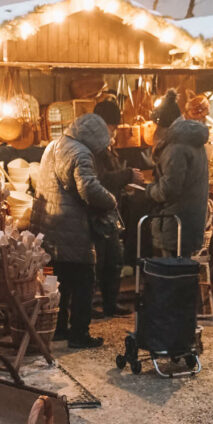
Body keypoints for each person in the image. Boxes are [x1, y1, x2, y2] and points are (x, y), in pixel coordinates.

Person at [30, 113, 116, 348]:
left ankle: (58, 328)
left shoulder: (54, 145)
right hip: (72, 229)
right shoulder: (81, 153)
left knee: (56, 281)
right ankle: (79, 334)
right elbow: (88, 188)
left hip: (48, 228)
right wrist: (111, 200)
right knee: (83, 281)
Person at [91, 98, 144, 316]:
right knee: (98, 262)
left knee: (113, 260)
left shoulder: (104, 146)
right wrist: (127, 175)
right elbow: (99, 179)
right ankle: (89, 305)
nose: (113, 132)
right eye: (112, 127)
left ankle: (110, 304)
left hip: (109, 213)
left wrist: (124, 185)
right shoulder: (93, 148)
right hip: (96, 213)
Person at [146, 89, 209, 256]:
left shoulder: (176, 148)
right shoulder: (191, 140)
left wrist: (149, 190)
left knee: (173, 274)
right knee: (182, 271)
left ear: (163, 127)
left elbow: (169, 189)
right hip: (189, 218)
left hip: (176, 221)